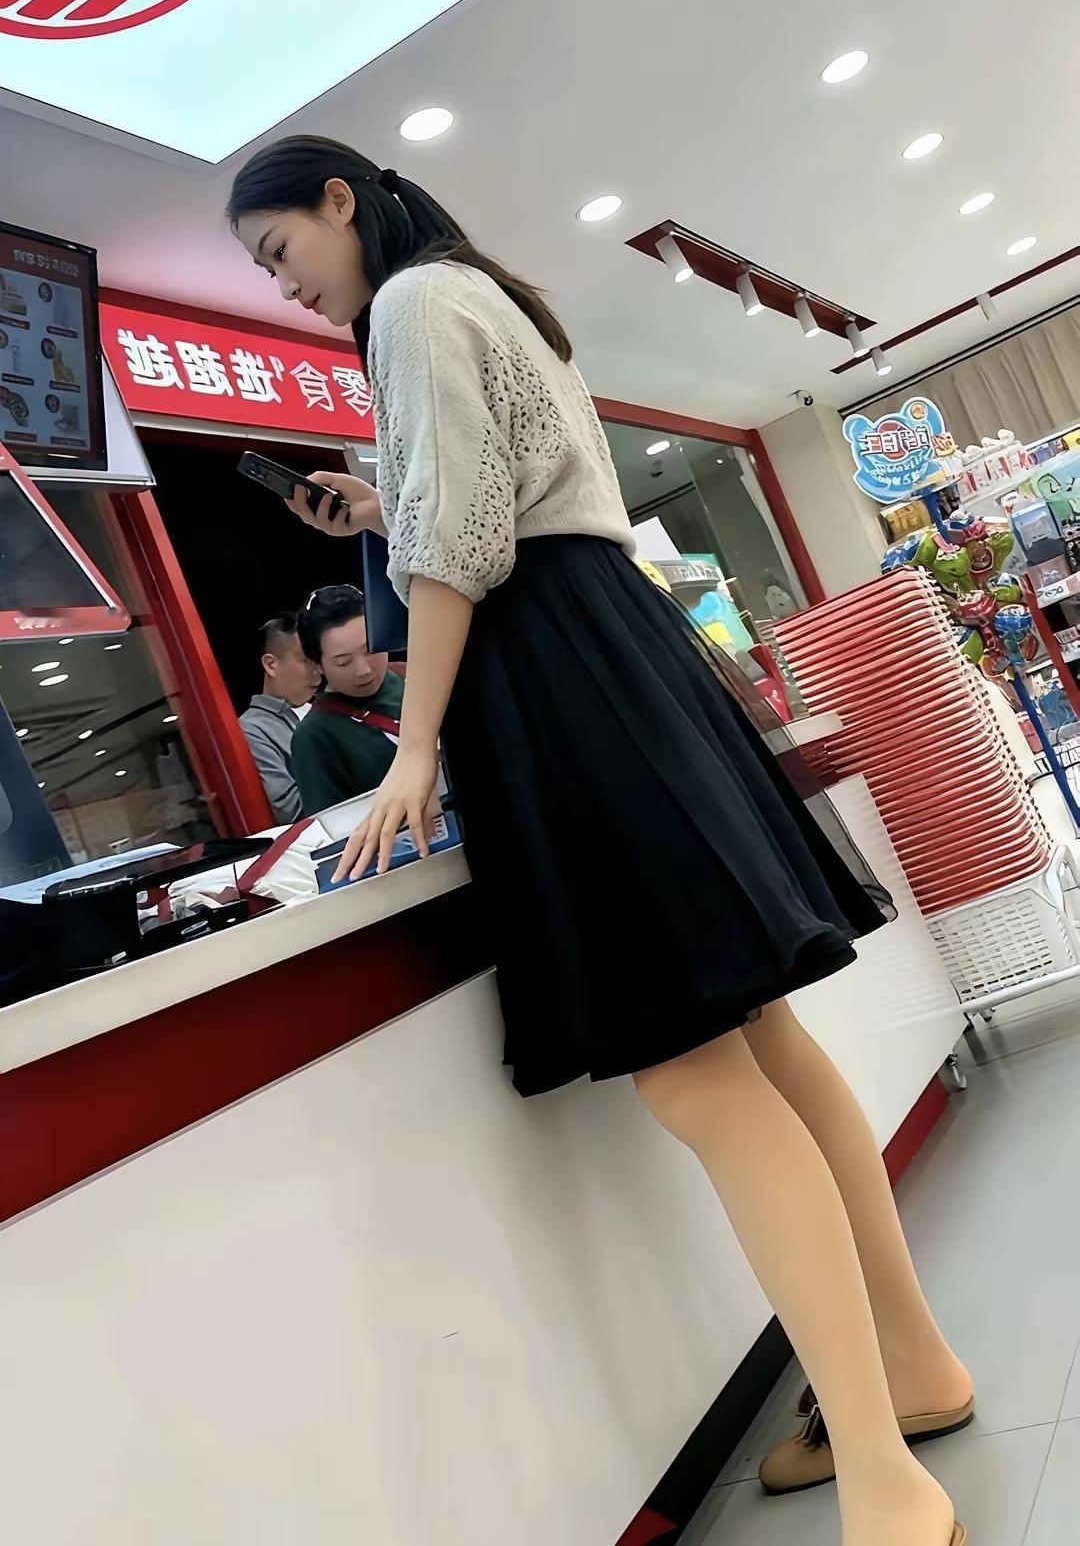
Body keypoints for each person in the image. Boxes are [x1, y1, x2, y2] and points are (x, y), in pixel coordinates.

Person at [227, 135, 969, 1546]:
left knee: (697, 1077)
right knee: (760, 1042)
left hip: (555, 681)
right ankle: (913, 1375)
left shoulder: (410, 305)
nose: (286, 287)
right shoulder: (480, 291)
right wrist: (379, 510)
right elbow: (488, 506)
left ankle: (882, 1465)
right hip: (610, 647)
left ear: (339, 201)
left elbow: (459, 549)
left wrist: (419, 744)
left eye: (280, 253)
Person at [290, 583, 405, 813]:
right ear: (316, 665)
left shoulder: (408, 676)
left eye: (370, 650)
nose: (364, 670)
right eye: (343, 662)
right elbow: (332, 822)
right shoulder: (314, 736)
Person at [238, 612, 320, 824]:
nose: (318, 670)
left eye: (319, 659)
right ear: (271, 665)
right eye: (307, 660)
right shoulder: (252, 729)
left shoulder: (331, 705)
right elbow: (291, 811)